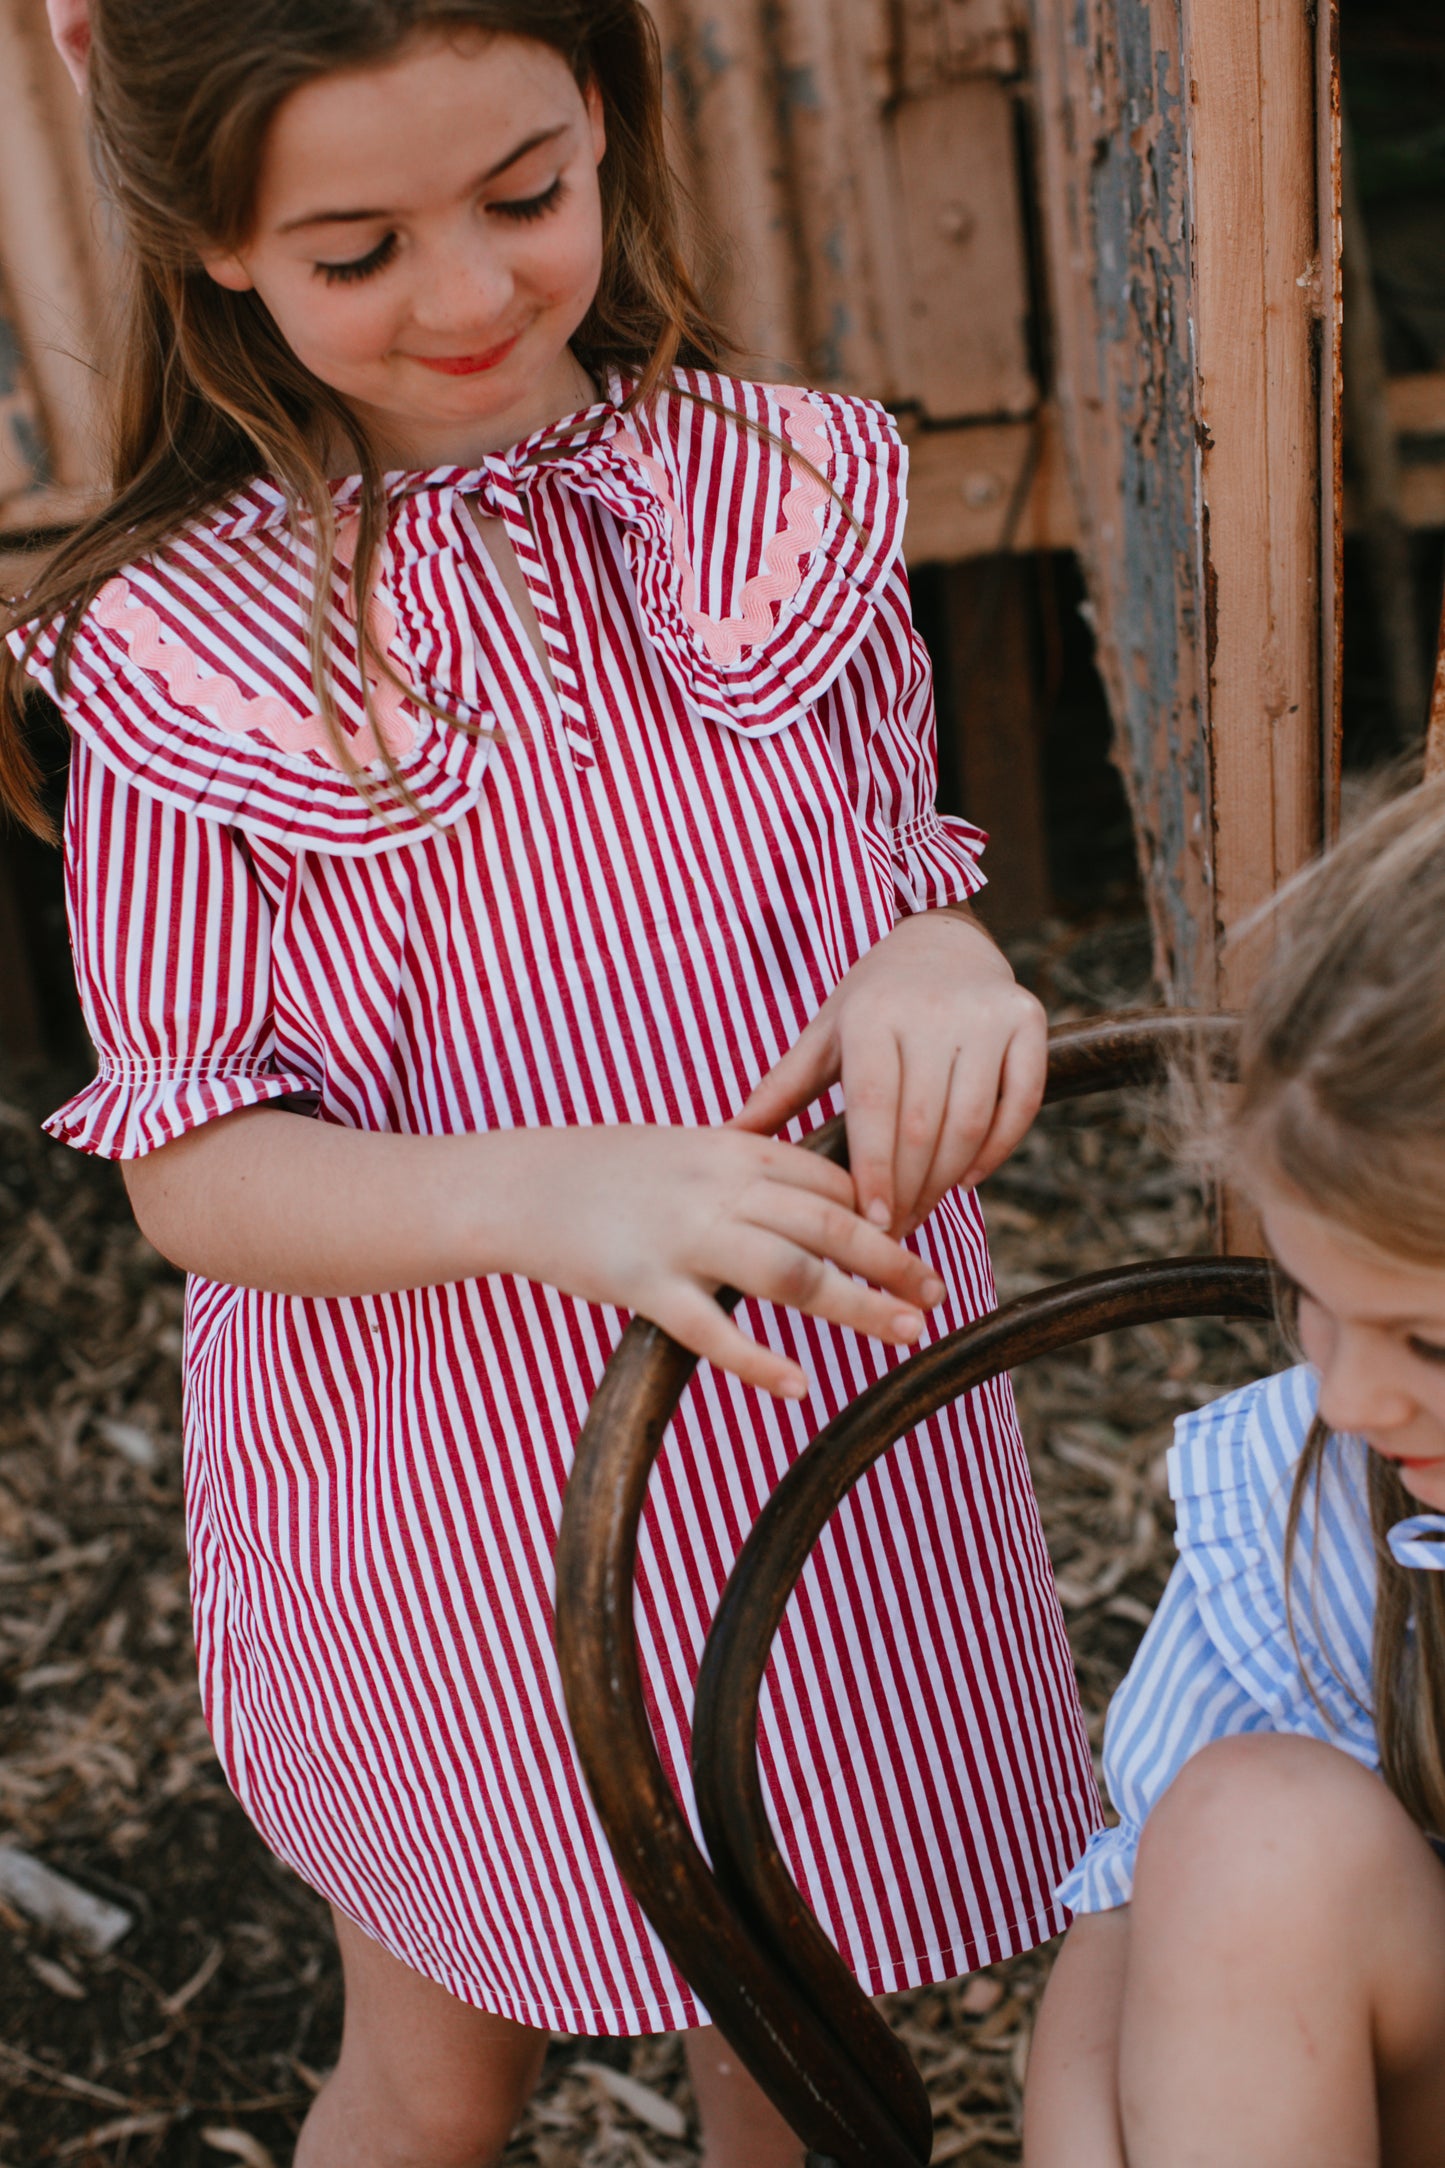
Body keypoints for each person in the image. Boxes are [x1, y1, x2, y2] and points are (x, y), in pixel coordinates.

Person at [3, 7, 1102, 2164]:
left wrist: (934, 958)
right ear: (216, 242)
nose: (472, 291)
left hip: (813, 1436)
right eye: (358, 250)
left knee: (798, 2034)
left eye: (524, 195)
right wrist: (549, 1194)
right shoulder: (193, 648)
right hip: (453, 1506)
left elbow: (897, 867)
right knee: (435, 2084)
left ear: (600, 114)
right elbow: (194, 1164)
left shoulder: (776, 495)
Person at [1023, 776, 1445, 2168]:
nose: (1349, 1398)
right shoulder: (1318, 1494)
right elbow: (1133, 1899)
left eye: (1429, 1341)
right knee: (1247, 1836)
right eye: (1311, 1300)